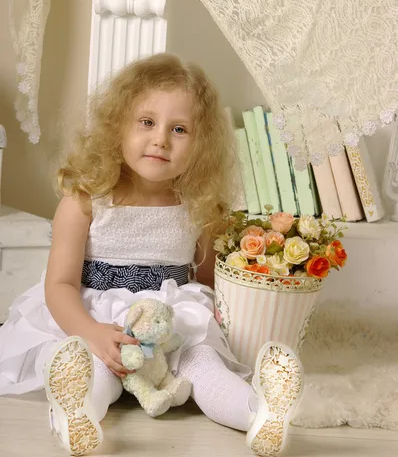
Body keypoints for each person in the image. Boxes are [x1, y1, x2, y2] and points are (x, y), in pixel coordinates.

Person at [0, 53, 302, 456]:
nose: (161, 138)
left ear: (201, 144)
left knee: (202, 366)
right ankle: (75, 414)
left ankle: (261, 413)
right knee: (100, 373)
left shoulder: (197, 205)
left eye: (179, 129)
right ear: (116, 127)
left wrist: (216, 327)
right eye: (147, 122)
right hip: (98, 319)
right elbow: (59, 284)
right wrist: (91, 333)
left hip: (172, 319)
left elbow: (208, 281)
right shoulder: (86, 201)